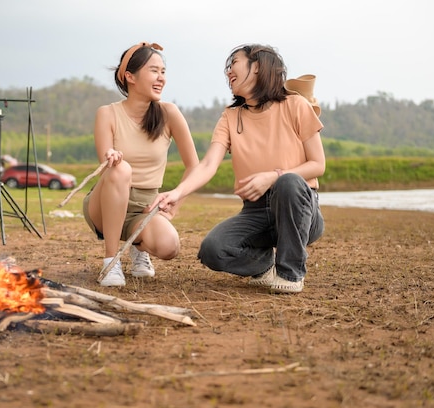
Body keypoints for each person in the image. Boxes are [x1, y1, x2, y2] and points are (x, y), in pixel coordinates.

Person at [152, 43, 325, 294]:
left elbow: (318, 165)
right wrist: (176, 193)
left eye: (234, 63)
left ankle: (290, 273)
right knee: (213, 250)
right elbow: (209, 164)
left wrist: (272, 176)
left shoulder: (295, 105)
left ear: (257, 67)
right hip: (256, 211)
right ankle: (266, 266)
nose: (228, 71)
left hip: (300, 208)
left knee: (287, 182)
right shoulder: (231, 117)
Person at [83, 42, 199, 287]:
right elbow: (106, 161)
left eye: (163, 72)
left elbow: (194, 166)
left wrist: (175, 206)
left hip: (145, 208)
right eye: (154, 71)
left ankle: (138, 246)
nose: (161, 78)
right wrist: (111, 156)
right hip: (106, 204)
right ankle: (110, 262)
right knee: (120, 167)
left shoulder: (169, 113)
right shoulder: (108, 113)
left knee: (169, 246)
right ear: (130, 77)